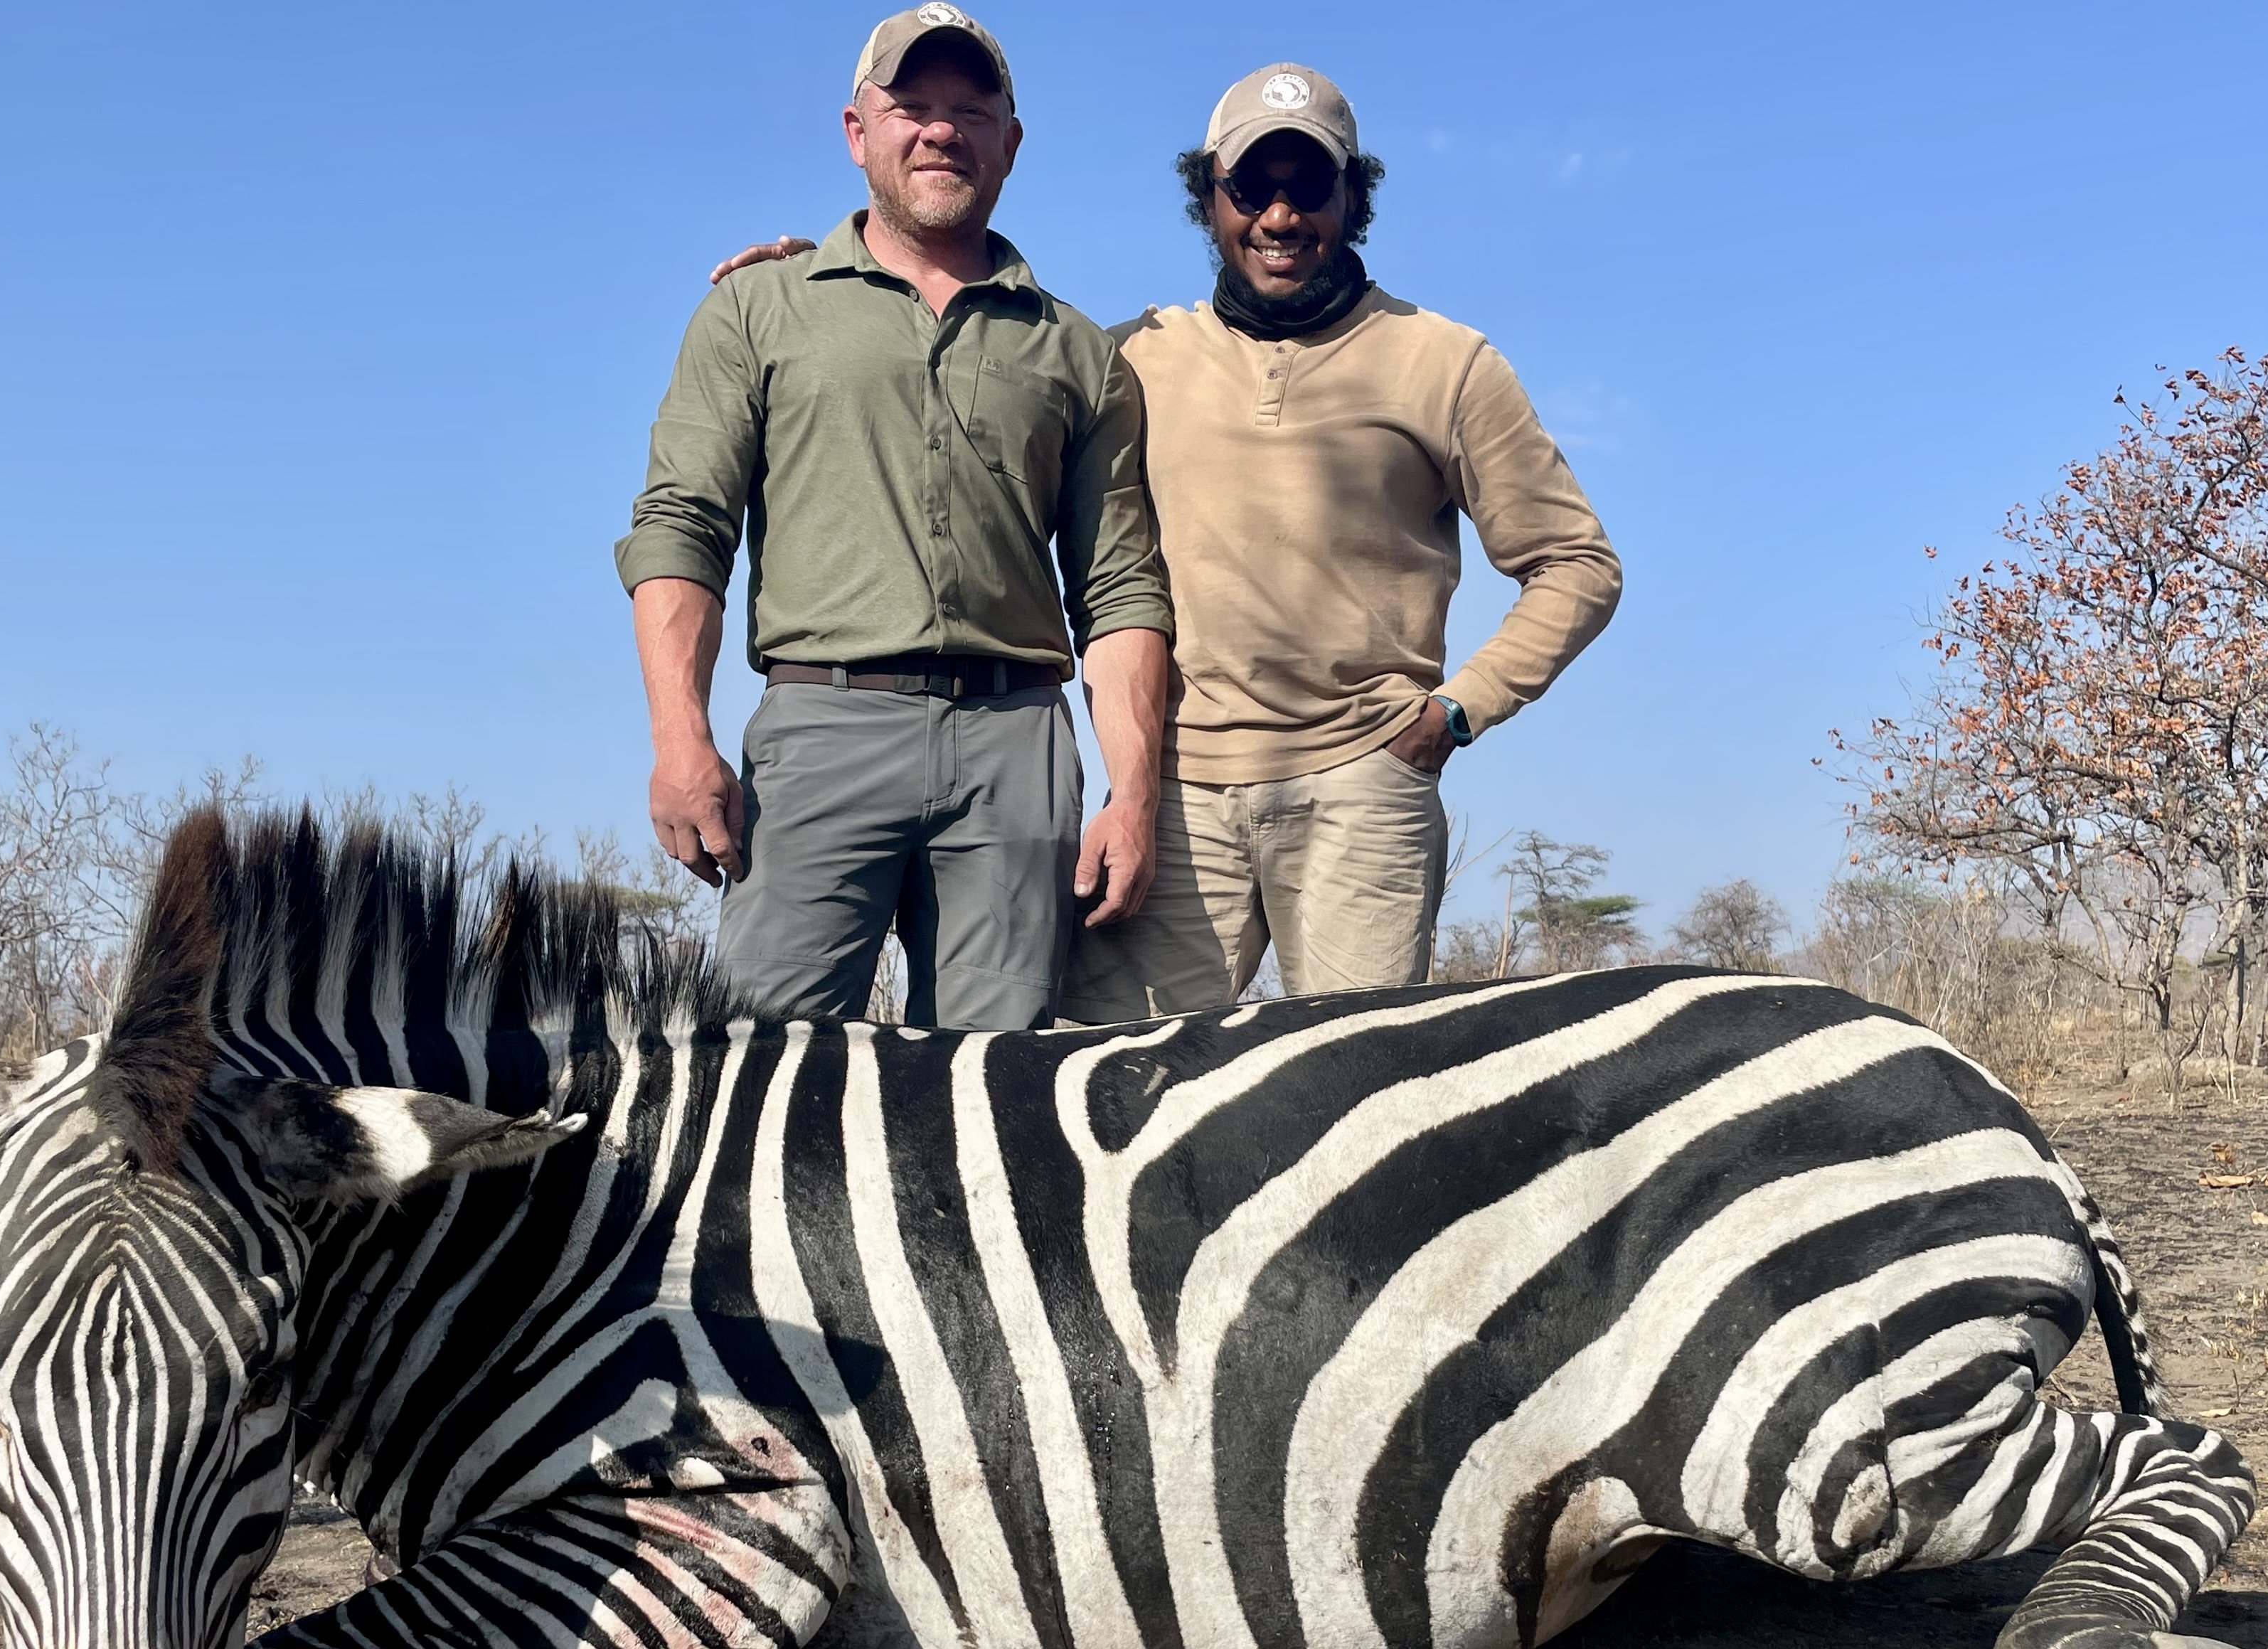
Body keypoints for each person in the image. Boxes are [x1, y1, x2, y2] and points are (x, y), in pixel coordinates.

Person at [719, 62, 1620, 1018]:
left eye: (1310, 187)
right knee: (1114, 1098)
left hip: (1364, 791)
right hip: (1174, 803)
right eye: (1251, 188)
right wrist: (822, 286)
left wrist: (1454, 715)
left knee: (1348, 1115)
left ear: (1354, 197)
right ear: (1210, 199)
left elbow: (1576, 564)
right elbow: (958, 367)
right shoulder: (1132, 355)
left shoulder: (1449, 364)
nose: (1280, 217)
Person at [619, 6, 1172, 1030]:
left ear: (1012, 139)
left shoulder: (1079, 354)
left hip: (1018, 745)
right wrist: (679, 737)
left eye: (972, 110)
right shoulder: (758, 307)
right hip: (822, 730)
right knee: (763, 1070)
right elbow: (683, 526)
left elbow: (1122, 589)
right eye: (911, 105)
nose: (941, 130)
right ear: (856, 130)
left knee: (998, 1091)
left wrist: (1132, 796)